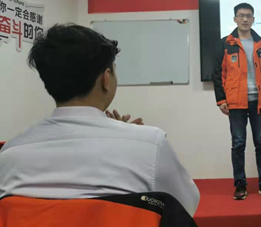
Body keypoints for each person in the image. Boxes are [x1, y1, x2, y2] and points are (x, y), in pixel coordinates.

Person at [0, 24, 200, 216]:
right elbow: (185, 206)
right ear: (106, 78)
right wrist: (131, 138)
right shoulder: (151, 145)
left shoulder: (10, 153)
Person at [213, 3, 261, 200]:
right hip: (236, 102)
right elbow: (218, 73)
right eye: (241, 16)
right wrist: (221, 99)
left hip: (260, 100)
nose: (245, 19)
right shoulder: (225, 44)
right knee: (238, 144)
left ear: (253, 19)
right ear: (235, 19)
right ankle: (240, 185)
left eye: (248, 16)